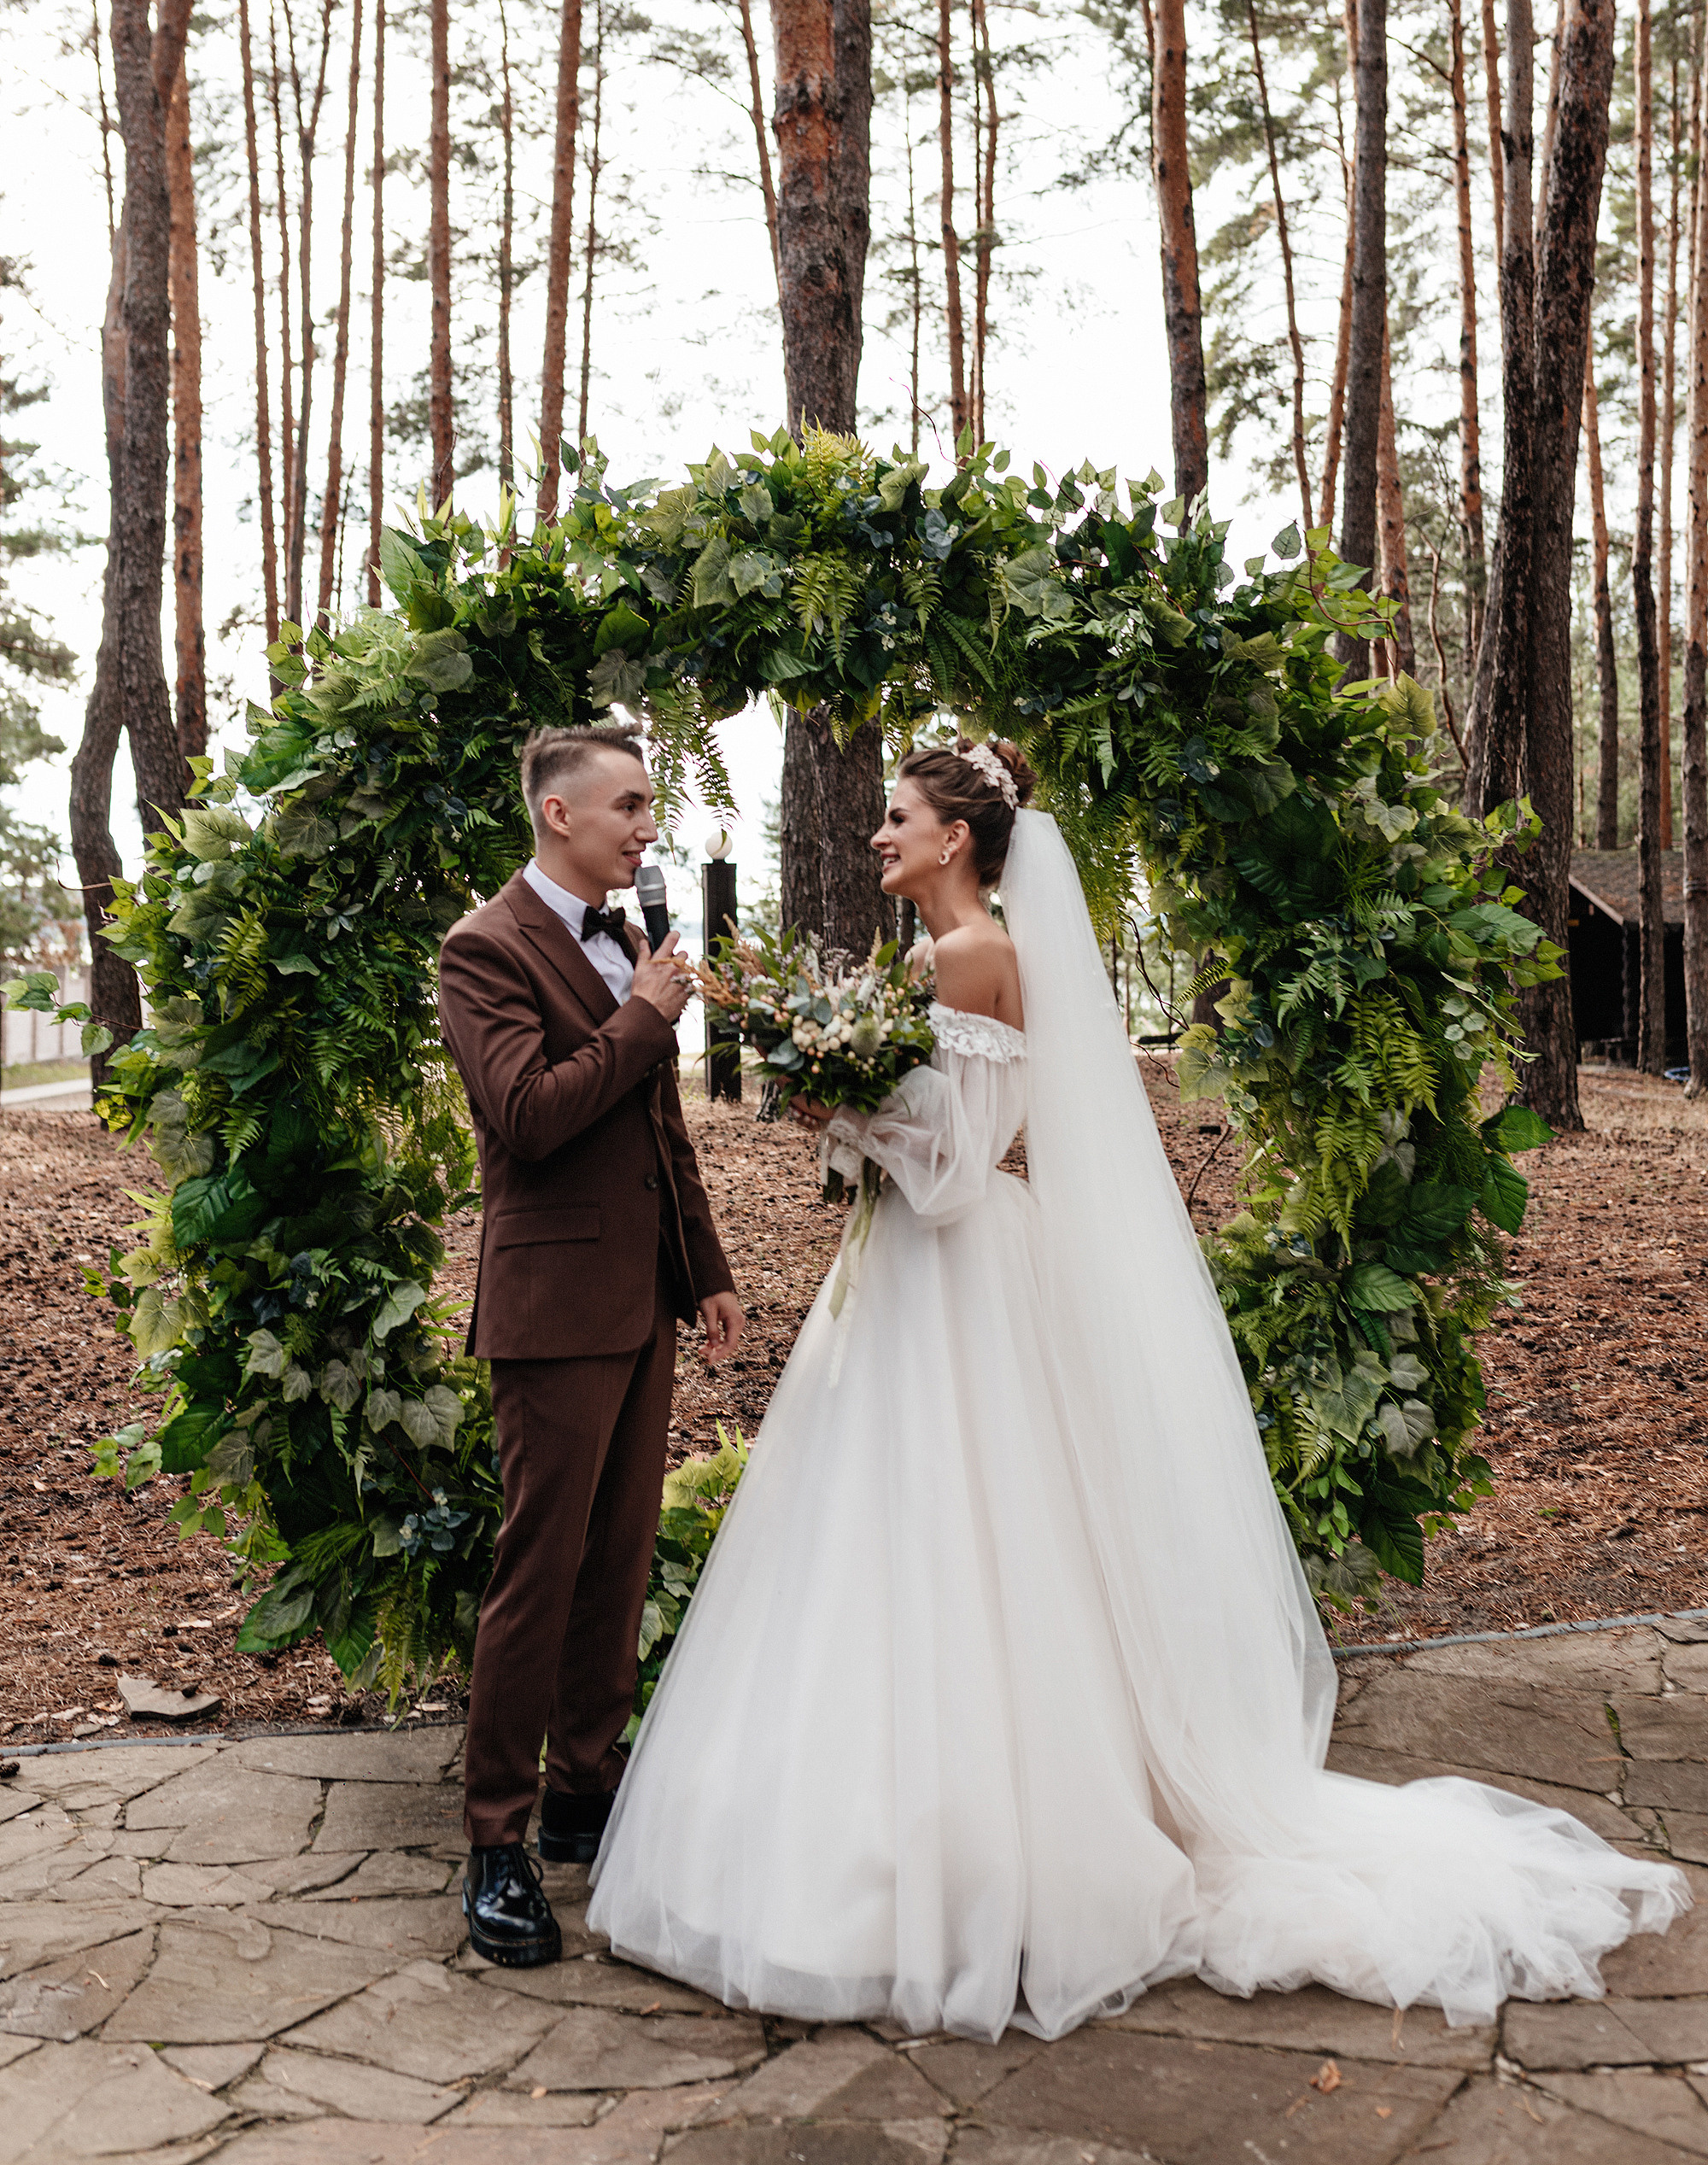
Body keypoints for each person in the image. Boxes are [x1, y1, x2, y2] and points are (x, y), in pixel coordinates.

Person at [588, 737, 1688, 2040]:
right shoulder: (953, 954)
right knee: (923, 1539)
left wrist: (834, 1103)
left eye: (897, 817)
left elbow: (955, 1170)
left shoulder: (966, 956)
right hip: (929, 1281)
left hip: (949, 1277)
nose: (878, 836)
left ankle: (944, 1856)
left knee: (940, 1538)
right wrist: (845, 1099)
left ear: (955, 839)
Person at [438, 723, 744, 1969]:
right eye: (628, 805)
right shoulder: (485, 947)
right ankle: (495, 1839)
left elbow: (659, 1132)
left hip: (639, 1298)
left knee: (616, 1562)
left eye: (651, 806)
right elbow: (528, 1115)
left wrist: (704, 1268)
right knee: (541, 1571)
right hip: (551, 1308)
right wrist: (644, 1019)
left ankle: (582, 1790)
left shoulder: (625, 941)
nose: (647, 827)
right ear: (558, 814)